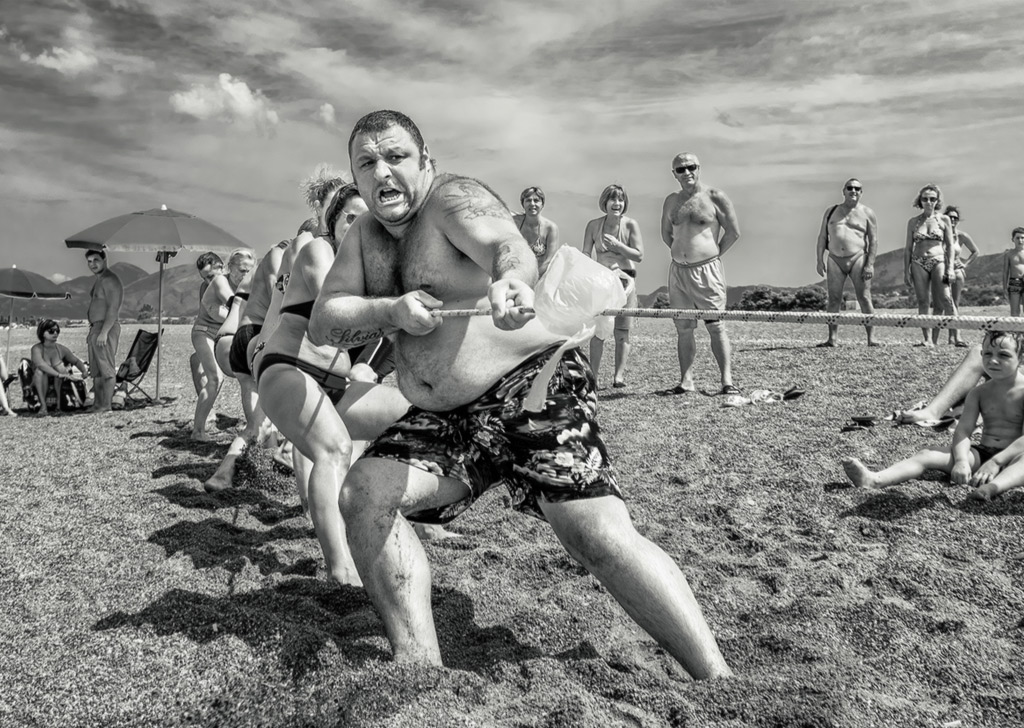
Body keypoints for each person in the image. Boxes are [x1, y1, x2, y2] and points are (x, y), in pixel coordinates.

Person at [309, 109, 732, 679]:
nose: (382, 171)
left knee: (595, 533)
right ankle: (418, 668)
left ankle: (716, 679)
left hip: (528, 381)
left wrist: (511, 280)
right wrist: (388, 311)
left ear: (425, 162)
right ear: (356, 179)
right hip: (444, 415)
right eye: (367, 162)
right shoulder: (362, 238)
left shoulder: (451, 200)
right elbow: (324, 319)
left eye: (396, 157)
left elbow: (507, 244)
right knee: (364, 493)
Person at [254, 188, 411, 586]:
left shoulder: (367, 267)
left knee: (411, 416)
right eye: (350, 218)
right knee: (335, 449)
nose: (358, 226)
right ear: (333, 222)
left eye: (368, 221)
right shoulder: (318, 251)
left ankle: (395, 517)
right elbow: (337, 310)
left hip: (334, 384)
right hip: (289, 368)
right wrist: (395, 309)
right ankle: (339, 567)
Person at [844, 330, 1024, 502]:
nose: (993, 360)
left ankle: (992, 488)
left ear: (1020, 358)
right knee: (927, 453)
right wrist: (961, 461)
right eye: (987, 354)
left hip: (1015, 457)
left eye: (1004, 355)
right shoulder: (978, 393)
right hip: (983, 452)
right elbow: (964, 430)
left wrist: (996, 462)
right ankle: (876, 479)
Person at [202, 239, 290, 492]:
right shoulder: (282, 263)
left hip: (231, 341)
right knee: (260, 420)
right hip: (249, 339)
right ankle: (225, 472)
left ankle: (267, 458)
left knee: (260, 416)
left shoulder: (254, 274)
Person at [660, 152, 741, 395]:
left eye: (691, 167)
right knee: (683, 328)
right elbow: (666, 233)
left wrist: (712, 255)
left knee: (715, 326)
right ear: (674, 174)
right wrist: (681, 254)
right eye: (680, 169)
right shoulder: (671, 201)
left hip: (707, 271)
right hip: (678, 273)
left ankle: (727, 381)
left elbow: (733, 232)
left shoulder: (715, 196)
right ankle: (686, 381)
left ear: (699, 168)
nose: (687, 172)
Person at [582, 184, 644, 388]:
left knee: (622, 331)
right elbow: (586, 254)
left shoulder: (631, 225)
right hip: (602, 282)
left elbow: (639, 255)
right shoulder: (593, 225)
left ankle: (619, 376)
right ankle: (594, 376)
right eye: (613, 199)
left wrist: (619, 247)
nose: (617, 203)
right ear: (605, 203)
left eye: (621, 200)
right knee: (599, 332)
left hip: (626, 280)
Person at [191, 249, 254, 440]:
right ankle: (198, 431)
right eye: (242, 271)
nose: (246, 275)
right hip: (205, 333)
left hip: (225, 335)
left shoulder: (246, 283)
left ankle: (254, 424)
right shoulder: (220, 282)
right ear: (229, 268)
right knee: (215, 379)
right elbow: (235, 303)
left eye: (249, 271)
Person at [814, 178, 878, 347]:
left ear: (861, 192)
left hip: (858, 257)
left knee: (864, 297)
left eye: (857, 188)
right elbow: (822, 236)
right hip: (834, 258)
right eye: (850, 188)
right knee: (834, 299)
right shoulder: (831, 211)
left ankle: (871, 338)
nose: (853, 191)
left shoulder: (867, 213)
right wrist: (819, 260)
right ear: (843, 191)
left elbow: (873, 240)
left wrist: (870, 263)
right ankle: (832, 338)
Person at [904, 184, 955, 346]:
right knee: (923, 301)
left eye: (932, 199)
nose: (928, 202)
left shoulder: (944, 219)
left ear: (937, 201)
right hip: (918, 261)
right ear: (920, 200)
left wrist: (951, 267)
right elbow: (907, 248)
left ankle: (954, 335)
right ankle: (927, 339)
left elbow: (950, 245)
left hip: (938, 259)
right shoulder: (913, 222)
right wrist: (906, 270)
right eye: (925, 199)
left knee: (946, 298)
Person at [84, 250, 123, 412]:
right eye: (89, 261)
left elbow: (113, 307)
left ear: (105, 259)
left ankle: (106, 405)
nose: (93, 264)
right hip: (96, 328)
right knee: (96, 371)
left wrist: (104, 331)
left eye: (96, 260)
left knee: (106, 368)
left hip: (105, 326)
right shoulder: (99, 280)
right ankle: (98, 404)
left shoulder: (110, 280)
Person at [29, 320, 89, 415]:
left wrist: (83, 371)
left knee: (60, 367)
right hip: (40, 377)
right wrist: (58, 374)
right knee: (40, 372)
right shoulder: (36, 348)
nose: (55, 333)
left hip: (58, 377)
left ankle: (58, 406)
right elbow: (40, 364)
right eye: (51, 331)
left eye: (57, 331)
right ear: (42, 333)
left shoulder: (61, 349)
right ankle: (43, 406)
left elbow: (76, 361)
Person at [189, 253, 224, 395]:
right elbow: (219, 315)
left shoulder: (236, 283)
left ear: (222, 268)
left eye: (210, 276)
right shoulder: (206, 288)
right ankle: (207, 413)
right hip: (207, 331)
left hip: (222, 334)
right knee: (215, 377)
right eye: (204, 278)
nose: (208, 281)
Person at [944, 206, 980, 346]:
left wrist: (965, 264)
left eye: (955, 218)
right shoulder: (939, 234)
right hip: (942, 270)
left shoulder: (962, 236)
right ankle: (938, 337)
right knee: (944, 303)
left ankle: (955, 336)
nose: (952, 220)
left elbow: (975, 251)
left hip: (957, 271)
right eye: (950, 217)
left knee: (954, 303)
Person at [511, 187, 561, 275]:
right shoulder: (514, 223)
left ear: (542, 204)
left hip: (541, 275)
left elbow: (550, 260)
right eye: (528, 200)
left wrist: (532, 277)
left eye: (536, 200)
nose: (532, 204)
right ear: (523, 203)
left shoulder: (550, 228)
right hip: (515, 273)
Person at [1002, 227, 1024, 317]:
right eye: (1018, 238)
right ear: (1013, 239)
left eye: (1022, 238)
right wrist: (1004, 287)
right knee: (1014, 311)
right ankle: (1015, 331)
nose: (1020, 240)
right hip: (1014, 282)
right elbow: (1005, 271)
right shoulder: (1009, 254)